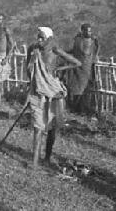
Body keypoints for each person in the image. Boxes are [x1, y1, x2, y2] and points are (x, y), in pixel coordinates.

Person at [27, 26, 81, 168]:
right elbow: (29, 69)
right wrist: (34, 84)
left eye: (42, 37)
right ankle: (34, 163)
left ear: (49, 38)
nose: (39, 39)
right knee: (38, 127)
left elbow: (77, 63)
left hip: (54, 93)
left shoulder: (55, 49)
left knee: (52, 127)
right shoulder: (34, 49)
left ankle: (47, 158)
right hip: (38, 93)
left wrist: (59, 69)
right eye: (38, 36)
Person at [67, 23, 100, 113]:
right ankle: (76, 109)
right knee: (77, 87)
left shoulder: (92, 40)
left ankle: (83, 110)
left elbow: (96, 48)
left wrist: (94, 57)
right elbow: (75, 50)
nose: (89, 32)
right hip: (77, 66)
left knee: (85, 88)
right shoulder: (78, 39)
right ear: (82, 31)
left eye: (90, 30)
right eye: (87, 30)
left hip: (86, 67)